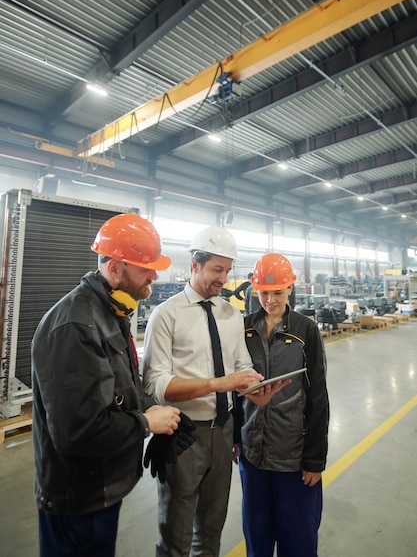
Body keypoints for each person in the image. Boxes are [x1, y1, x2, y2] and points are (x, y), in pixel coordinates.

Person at [31, 213, 184, 557]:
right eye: (146, 267)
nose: (154, 275)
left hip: (101, 489)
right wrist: (146, 424)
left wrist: (153, 409)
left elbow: (120, 389)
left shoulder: (110, 313)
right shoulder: (76, 326)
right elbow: (77, 430)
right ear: (115, 268)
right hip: (79, 500)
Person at [142, 226, 288, 557]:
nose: (223, 278)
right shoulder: (166, 316)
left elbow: (241, 367)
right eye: (216, 270)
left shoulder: (230, 314)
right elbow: (156, 385)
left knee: (210, 530)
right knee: (176, 537)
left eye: (227, 270)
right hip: (183, 434)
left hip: (222, 434)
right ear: (195, 266)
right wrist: (218, 384)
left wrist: (255, 391)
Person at [236, 252, 330, 557]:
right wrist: (235, 438)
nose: (270, 300)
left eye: (277, 292)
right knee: (257, 536)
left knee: (298, 540)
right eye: (263, 292)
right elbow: (233, 389)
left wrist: (315, 458)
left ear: (290, 288)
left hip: (293, 456)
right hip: (253, 454)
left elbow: (317, 396)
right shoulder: (243, 328)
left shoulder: (305, 331)